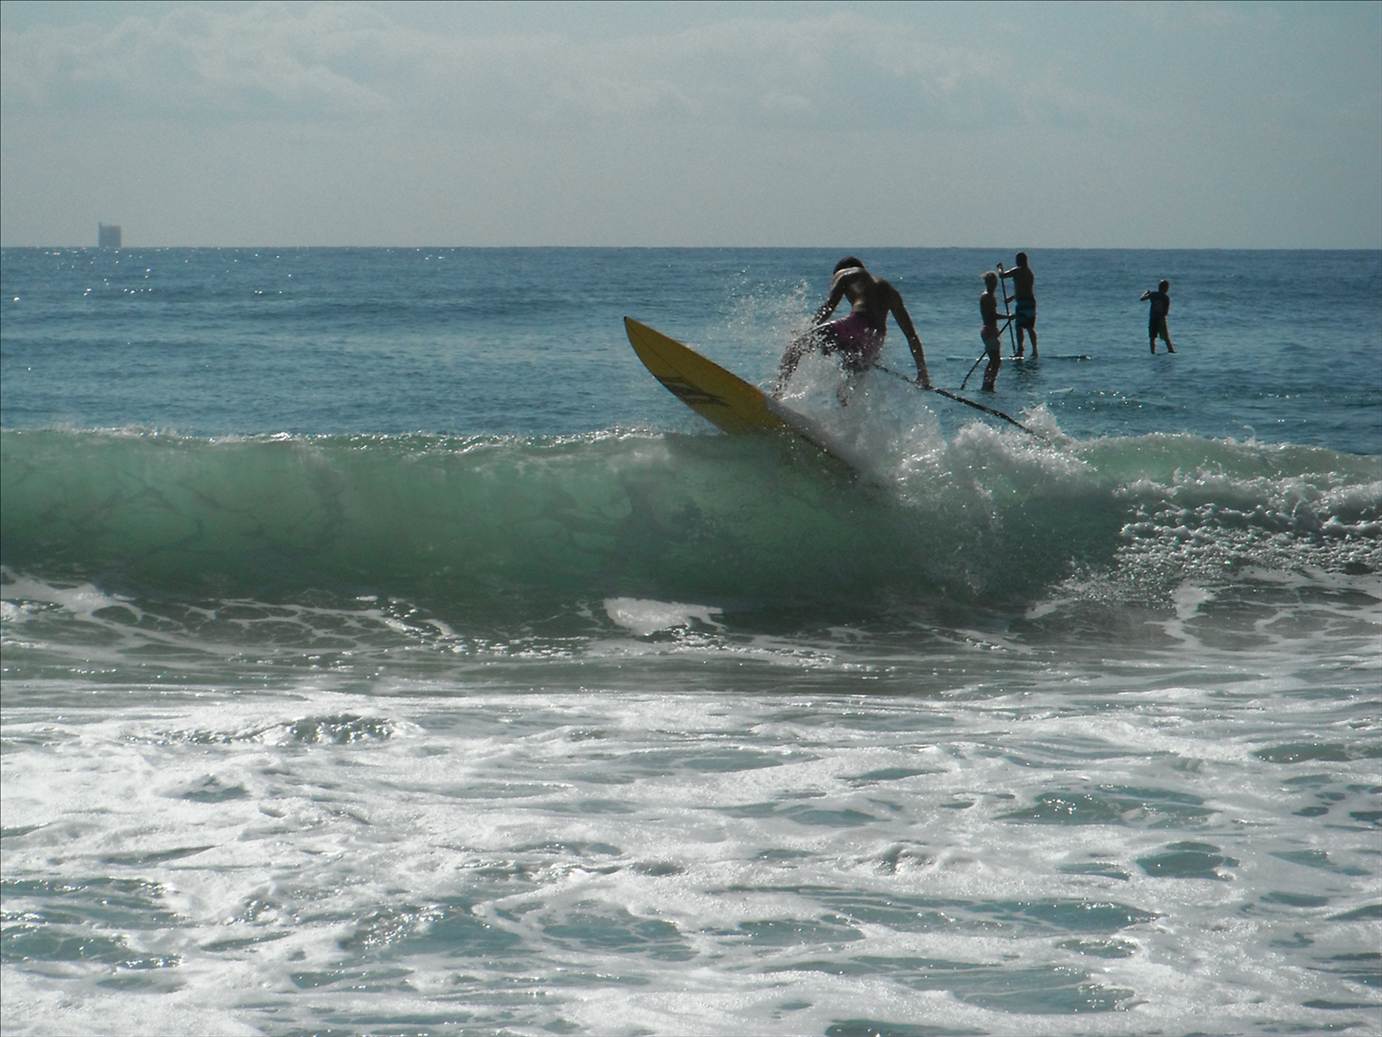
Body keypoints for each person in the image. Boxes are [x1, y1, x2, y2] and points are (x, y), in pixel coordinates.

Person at [776, 256, 930, 393]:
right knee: (845, 389)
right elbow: (911, 336)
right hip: (875, 341)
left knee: (795, 347)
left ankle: (777, 393)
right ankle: (845, 411)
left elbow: (829, 306)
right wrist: (922, 374)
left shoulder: (844, 274)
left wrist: (807, 330)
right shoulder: (891, 291)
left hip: (855, 325)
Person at [999, 251, 1038, 359]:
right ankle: (1035, 350)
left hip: (1022, 303)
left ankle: (1020, 351)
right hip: (1030, 301)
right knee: (1030, 327)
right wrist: (1011, 298)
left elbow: (1002, 276)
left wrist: (1000, 268)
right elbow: (1024, 289)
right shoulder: (1029, 273)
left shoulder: (1017, 270)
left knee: (1019, 327)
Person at [978, 271, 1011, 391]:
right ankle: (987, 384)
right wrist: (1008, 317)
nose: (994, 285)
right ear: (988, 283)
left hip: (992, 330)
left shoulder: (991, 296)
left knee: (995, 360)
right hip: (988, 331)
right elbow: (991, 315)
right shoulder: (987, 297)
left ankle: (989, 383)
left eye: (995, 283)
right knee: (995, 360)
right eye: (992, 283)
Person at [1140, 279, 1176, 353]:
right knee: (1166, 338)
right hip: (1161, 319)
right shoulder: (1166, 297)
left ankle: (1152, 352)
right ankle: (1171, 351)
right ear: (1166, 288)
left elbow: (1142, 299)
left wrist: (1146, 293)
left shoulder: (1153, 294)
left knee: (1152, 338)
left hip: (1153, 318)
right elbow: (1166, 311)